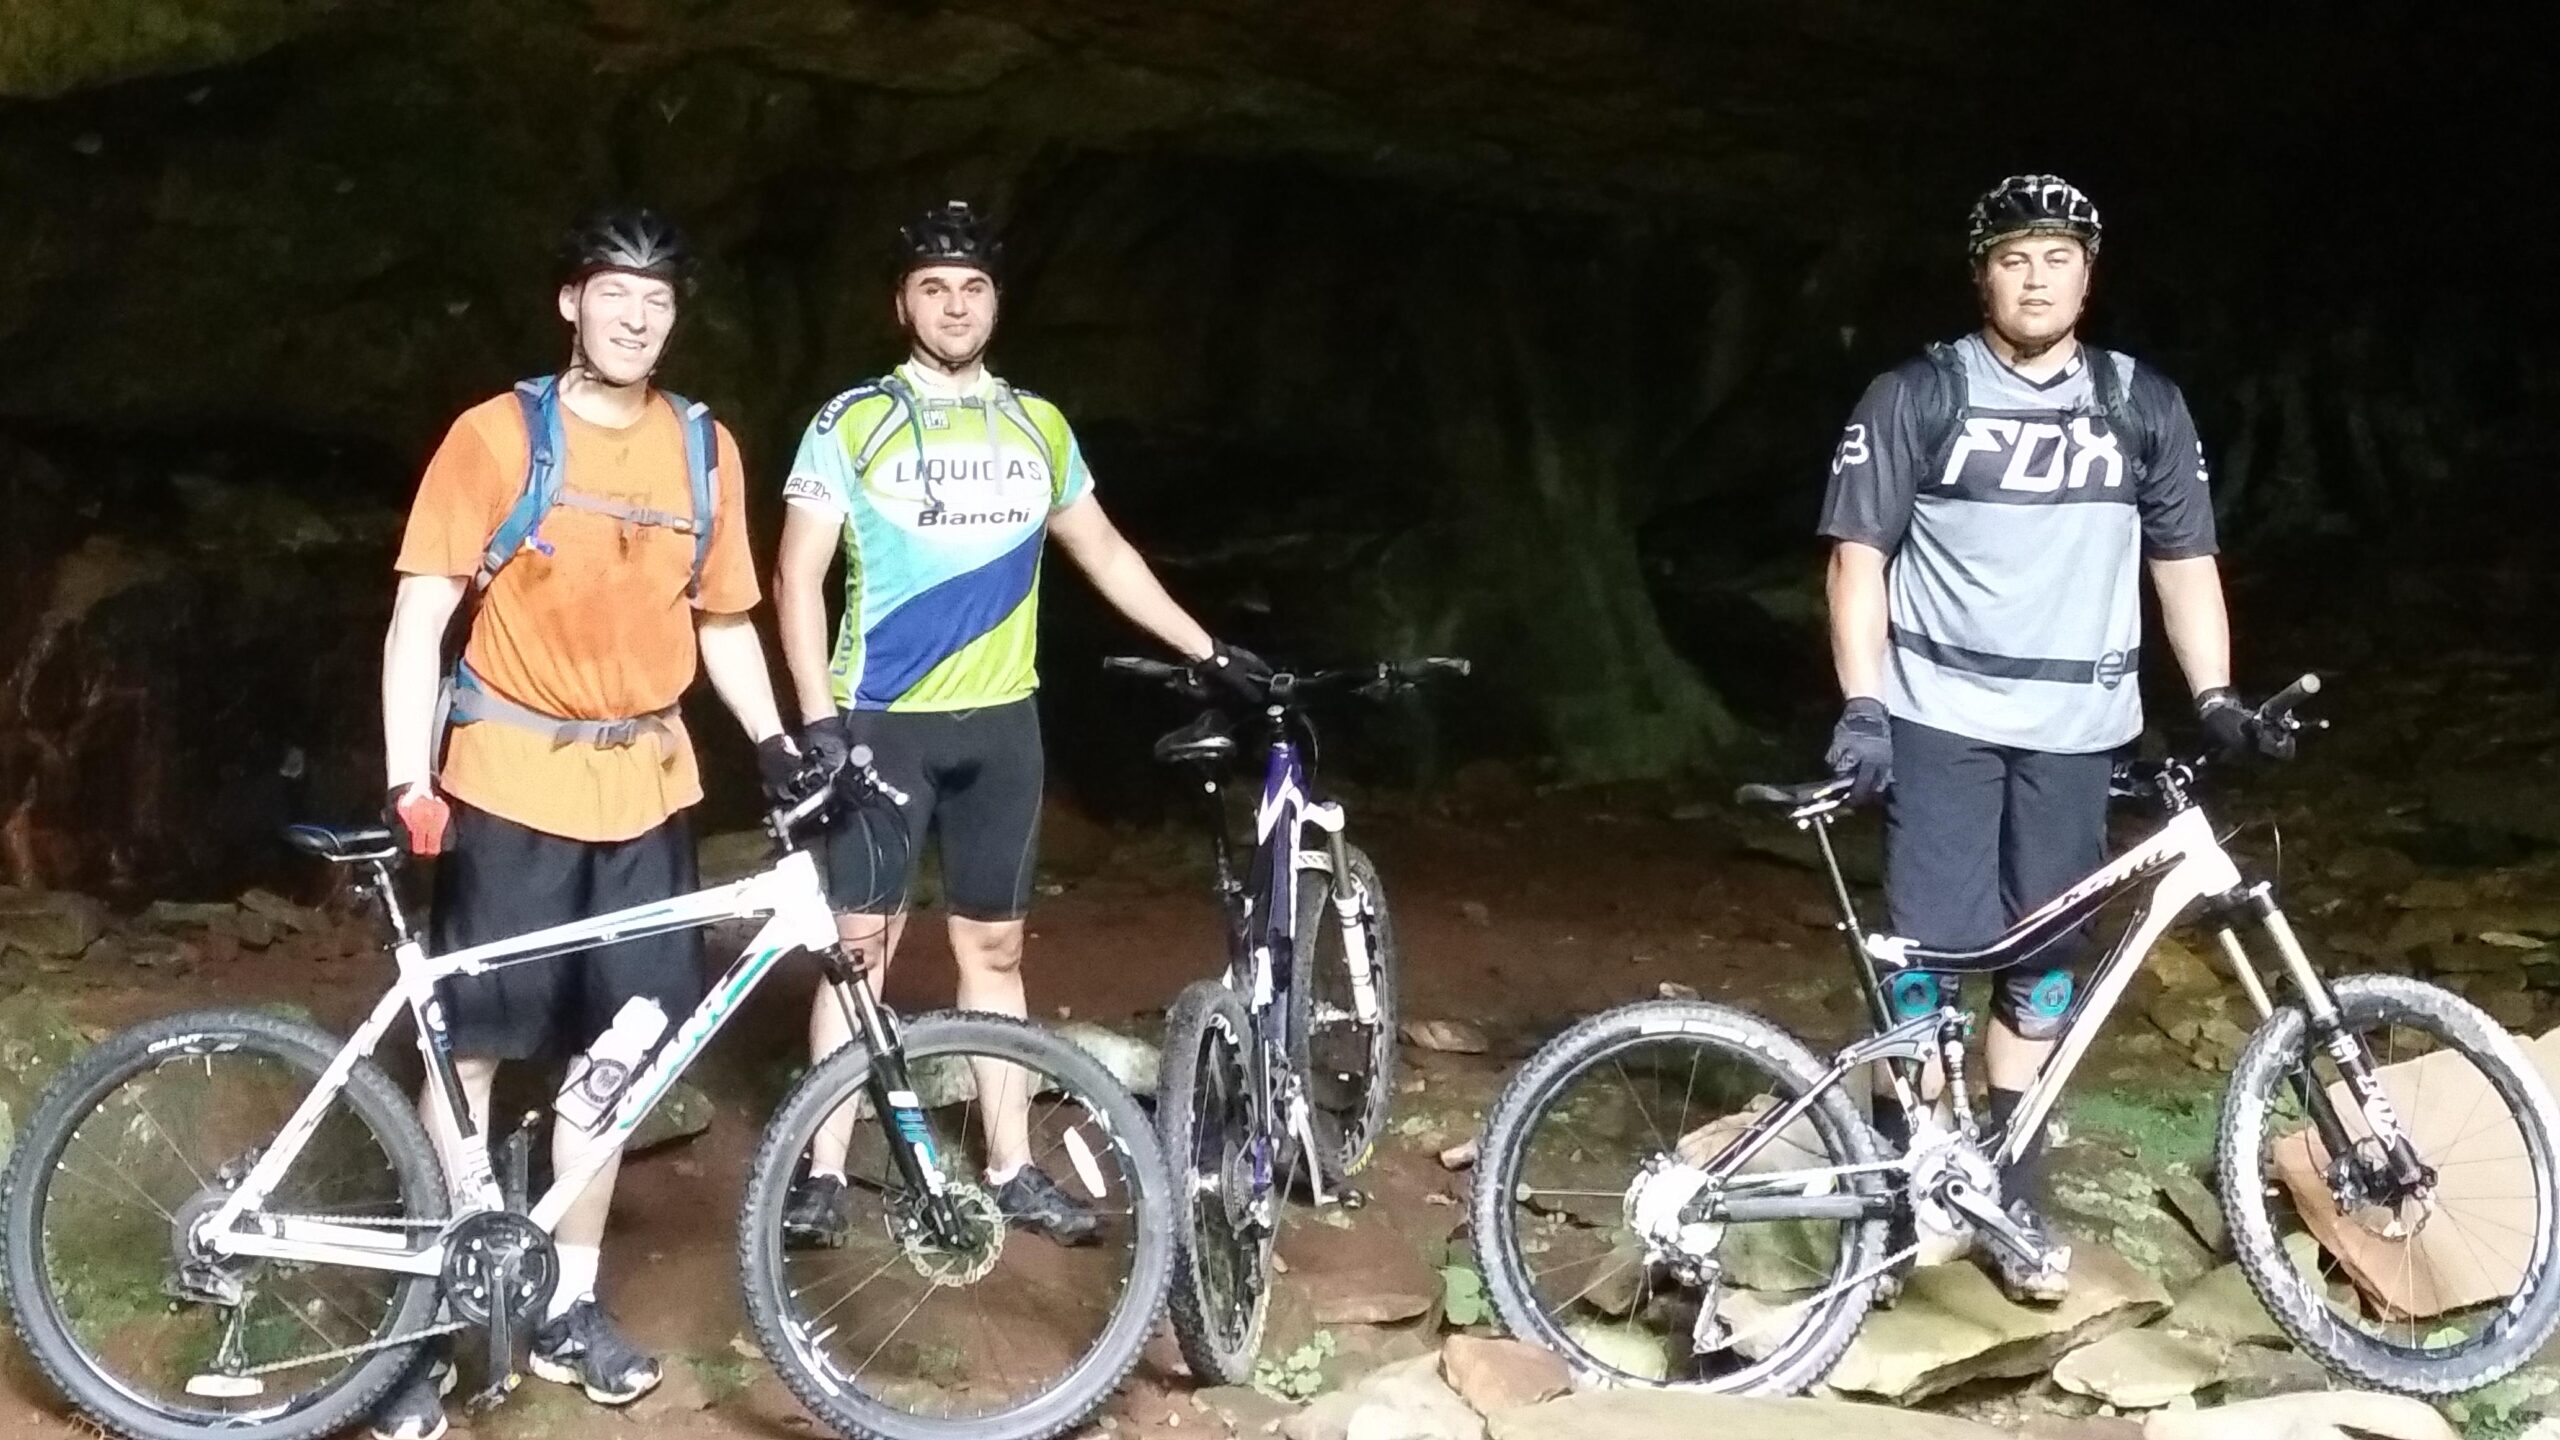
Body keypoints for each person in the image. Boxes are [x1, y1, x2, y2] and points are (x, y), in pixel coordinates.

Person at [372, 207, 805, 1440]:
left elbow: (724, 622)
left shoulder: (704, 447)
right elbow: (423, 616)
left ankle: (564, 1300)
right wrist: (413, 777)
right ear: (571, 301)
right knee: (474, 1046)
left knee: (626, 1049)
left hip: (647, 789)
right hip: (508, 779)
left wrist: (776, 744)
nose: (633, 316)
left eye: (656, 301)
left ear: (674, 317)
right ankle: (447, 1298)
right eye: (612, 292)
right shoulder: (497, 435)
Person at [1815, 174, 2285, 1303]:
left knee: (2042, 960)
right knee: (1929, 952)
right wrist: (1865, 706)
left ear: (2089, 272)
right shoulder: (1916, 394)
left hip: (2077, 732)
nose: (2036, 277)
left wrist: (2215, 693)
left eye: (2058, 257)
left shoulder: (2139, 404)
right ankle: (1907, 1187)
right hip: (1941, 720)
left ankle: (2008, 1182)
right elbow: (1857, 559)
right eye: (2014, 257)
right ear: (1981, 272)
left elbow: (2183, 561)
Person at [771, 200, 1265, 1244]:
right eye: (934, 286)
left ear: (996, 302)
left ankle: (1007, 1166)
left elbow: (1106, 553)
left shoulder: (1038, 423)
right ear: (900, 303)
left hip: (1002, 725)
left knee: (993, 947)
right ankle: (819, 1172)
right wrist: (815, 722)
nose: (955, 304)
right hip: (882, 722)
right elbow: (796, 573)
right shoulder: (850, 419)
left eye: (974, 286)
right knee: (861, 947)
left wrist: (1206, 650)